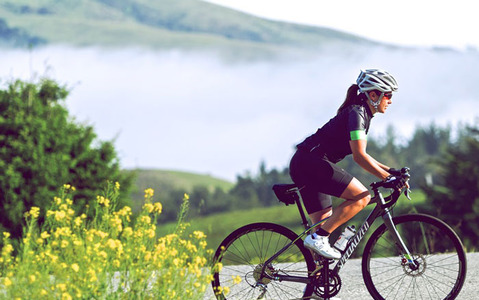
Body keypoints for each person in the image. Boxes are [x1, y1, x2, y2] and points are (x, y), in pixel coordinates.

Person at [289, 69, 407, 259]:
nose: (390, 100)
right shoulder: (357, 113)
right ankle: (318, 238)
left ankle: (316, 281)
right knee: (361, 197)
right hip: (311, 163)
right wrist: (388, 178)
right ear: (373, 94)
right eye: (388, 95)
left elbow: (363, 155)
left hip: (307, 164)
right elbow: (359, 157)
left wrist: (392, 172)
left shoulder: (361, 113)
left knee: (320, 243)